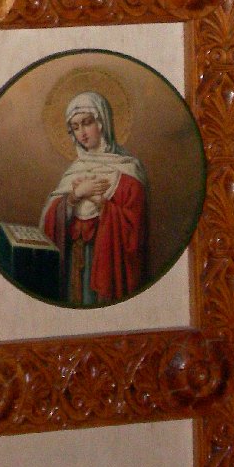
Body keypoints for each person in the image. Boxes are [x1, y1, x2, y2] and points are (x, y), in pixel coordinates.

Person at [39, 90, 147, 306]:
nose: (82, 133)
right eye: (75, 127)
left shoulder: (128, 170)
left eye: (87, 123)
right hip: (74, 260)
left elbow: (136, 229)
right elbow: (48, 222)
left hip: (109, 260)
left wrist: (103, 205)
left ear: (102, 122)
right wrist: (75, 196)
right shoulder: (74, 171)